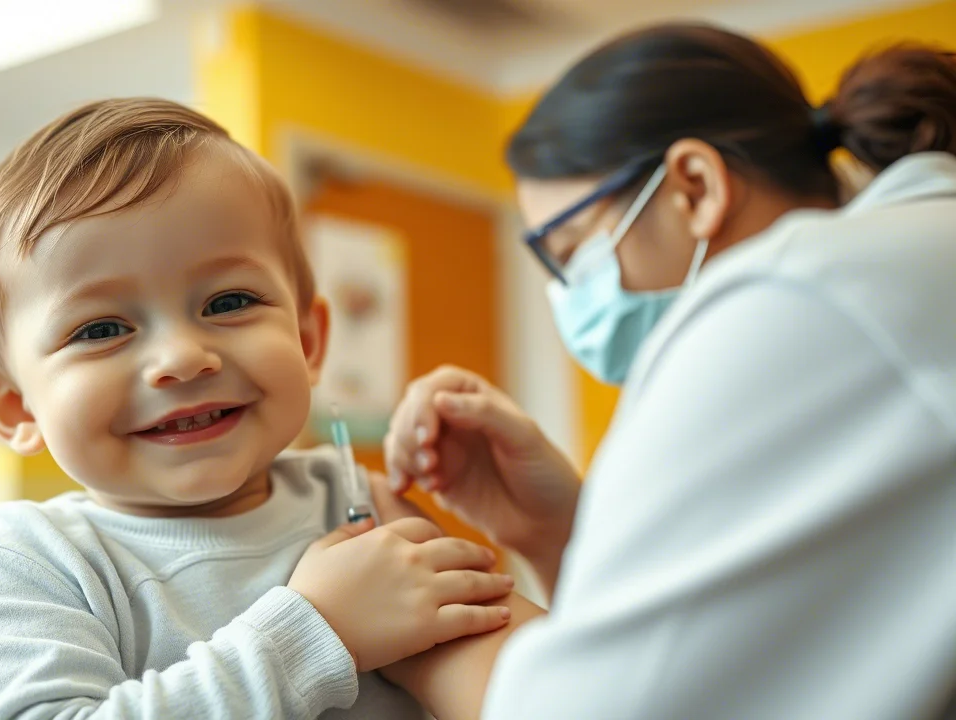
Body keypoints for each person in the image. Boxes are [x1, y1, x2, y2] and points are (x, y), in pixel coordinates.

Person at [383, 24, 956, 719]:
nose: (567, 298)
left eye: (573, 252)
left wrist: (402, 627)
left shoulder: (789, 295)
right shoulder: (896, 262)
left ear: (695, 187)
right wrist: (561, 535)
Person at [0, 98, 520, 720]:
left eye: (229, 301)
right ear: (15, 407)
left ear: (307, 342)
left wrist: (550, 528)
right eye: (101, 329)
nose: (183, 358)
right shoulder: (17, 568)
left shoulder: (359, 502)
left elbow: (541, 690)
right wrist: (314, 635)